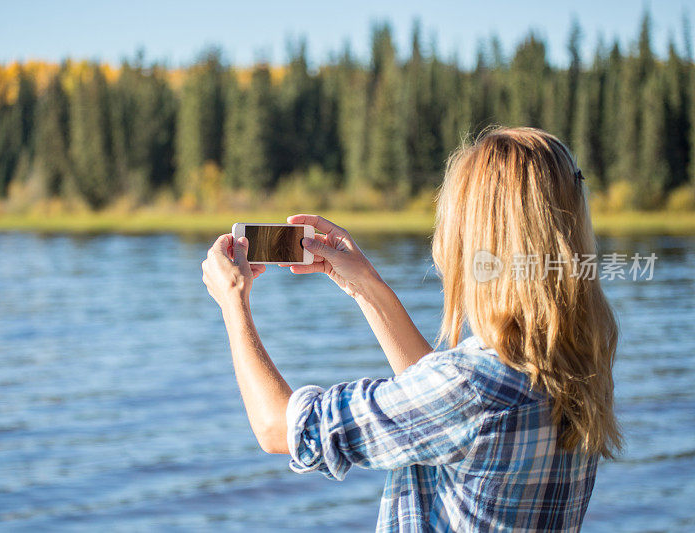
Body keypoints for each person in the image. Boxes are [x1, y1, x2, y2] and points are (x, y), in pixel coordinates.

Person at [201, 127, 621, 532]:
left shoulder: (473, 386)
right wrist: (364, 284)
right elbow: (441, 404)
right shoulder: (574, 366)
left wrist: (234, 300)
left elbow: (283, 429)